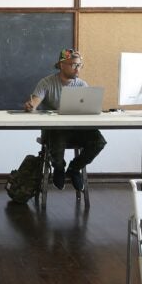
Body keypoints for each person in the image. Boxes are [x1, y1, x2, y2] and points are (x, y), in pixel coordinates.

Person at [24, 48, 106, 191]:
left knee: (98, 141)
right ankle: (59, 168)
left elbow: (88, 109)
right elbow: (35, 102)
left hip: (77, 130)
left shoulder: (81, 85)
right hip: (54, 131)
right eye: (73, 65)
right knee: (58, 134)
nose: (77, 69)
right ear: (62, 65)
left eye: (79, 65)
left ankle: (74, 168)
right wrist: (31, 106)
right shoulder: (47, 82)